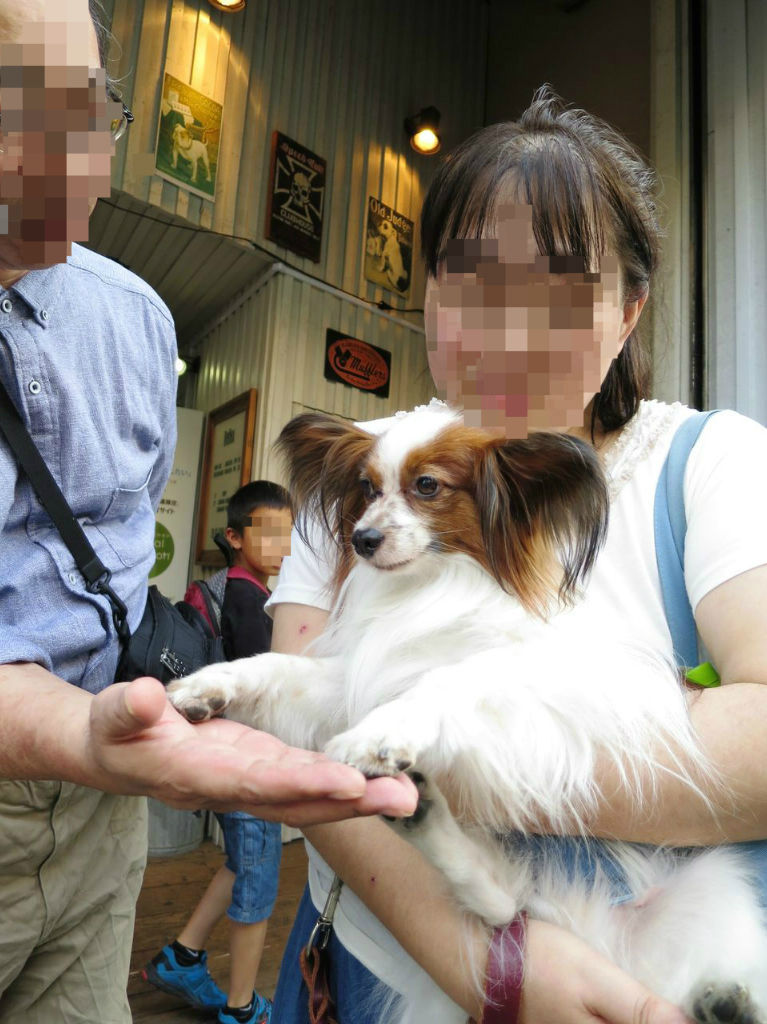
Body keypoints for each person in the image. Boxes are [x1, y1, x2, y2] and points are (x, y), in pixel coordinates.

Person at [266, 86, 767, 1023]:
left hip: (656, 973)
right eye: (468, 280)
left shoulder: (712, 465)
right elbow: (297, 739)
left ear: (627, 314)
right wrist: (476, 958)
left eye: (560, 288)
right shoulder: (367, 474)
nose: (506, 324)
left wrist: (428, 741)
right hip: (386, 965)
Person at [0, 4, 416, 1023]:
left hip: (103, 809)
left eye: (85, 106)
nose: (67, 156)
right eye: (18, 110)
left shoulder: (138, 321)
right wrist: (76, 730)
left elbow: (116, 546)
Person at [146, 481, 293, 1024]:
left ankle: (182, 957)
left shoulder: (224, 589)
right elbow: (264, 689)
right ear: (234, 537)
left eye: (288, 534)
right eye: (268, 532)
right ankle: (242, 1007)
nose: (281, 546)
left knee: (241, 863)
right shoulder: (249, 600)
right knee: (258, 882)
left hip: (226, 757)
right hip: (247, 764)